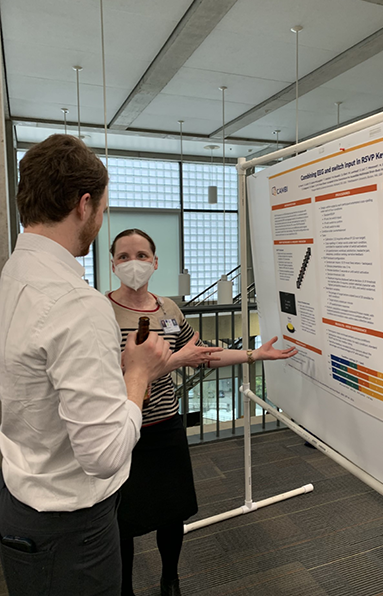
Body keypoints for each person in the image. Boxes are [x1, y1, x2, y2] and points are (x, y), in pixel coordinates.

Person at [0, 135, 173, 596]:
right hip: (71, 527)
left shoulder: (12, 276)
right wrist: (138, 374)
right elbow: (103, 456)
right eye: (102, 208)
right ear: (84, 205)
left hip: (21, 497)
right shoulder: (77, 303)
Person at [108, 228, 298, 596]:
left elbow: (202, 354)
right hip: (122, 428)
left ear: (155, 261)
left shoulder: (168, 310)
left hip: (165, 426)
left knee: (171, 511)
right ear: (113, 264)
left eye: (142, 255)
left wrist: (254, 354)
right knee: (123, 520)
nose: (134, 263)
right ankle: (124, 588)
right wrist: (175, 359)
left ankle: (170, 579)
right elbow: (106, 373)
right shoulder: (101, 311)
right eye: (125, 256)